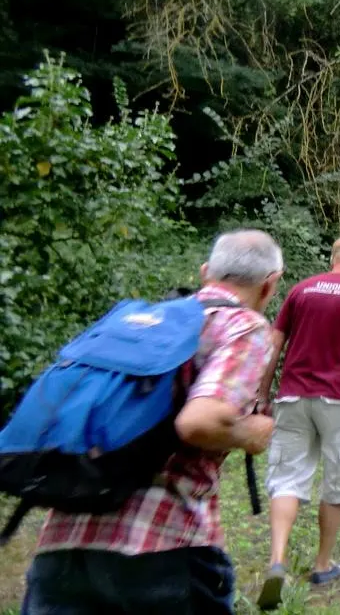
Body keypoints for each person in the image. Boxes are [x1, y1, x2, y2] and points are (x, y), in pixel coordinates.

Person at [21, 230, 282, 615]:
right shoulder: (241, 326)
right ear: (270, 285)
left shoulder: (142, 322)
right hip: (162, 547)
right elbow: (199, 422)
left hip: (65, 541)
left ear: (206, 271)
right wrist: (252, 434)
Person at [257, 235, 340, 610]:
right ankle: (322, 563)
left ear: (333, 258)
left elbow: (274, 343)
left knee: (286, 477)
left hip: (294, 395)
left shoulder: (301, 290)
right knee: (338, 477)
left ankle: (277, 560)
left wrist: (263, 393)